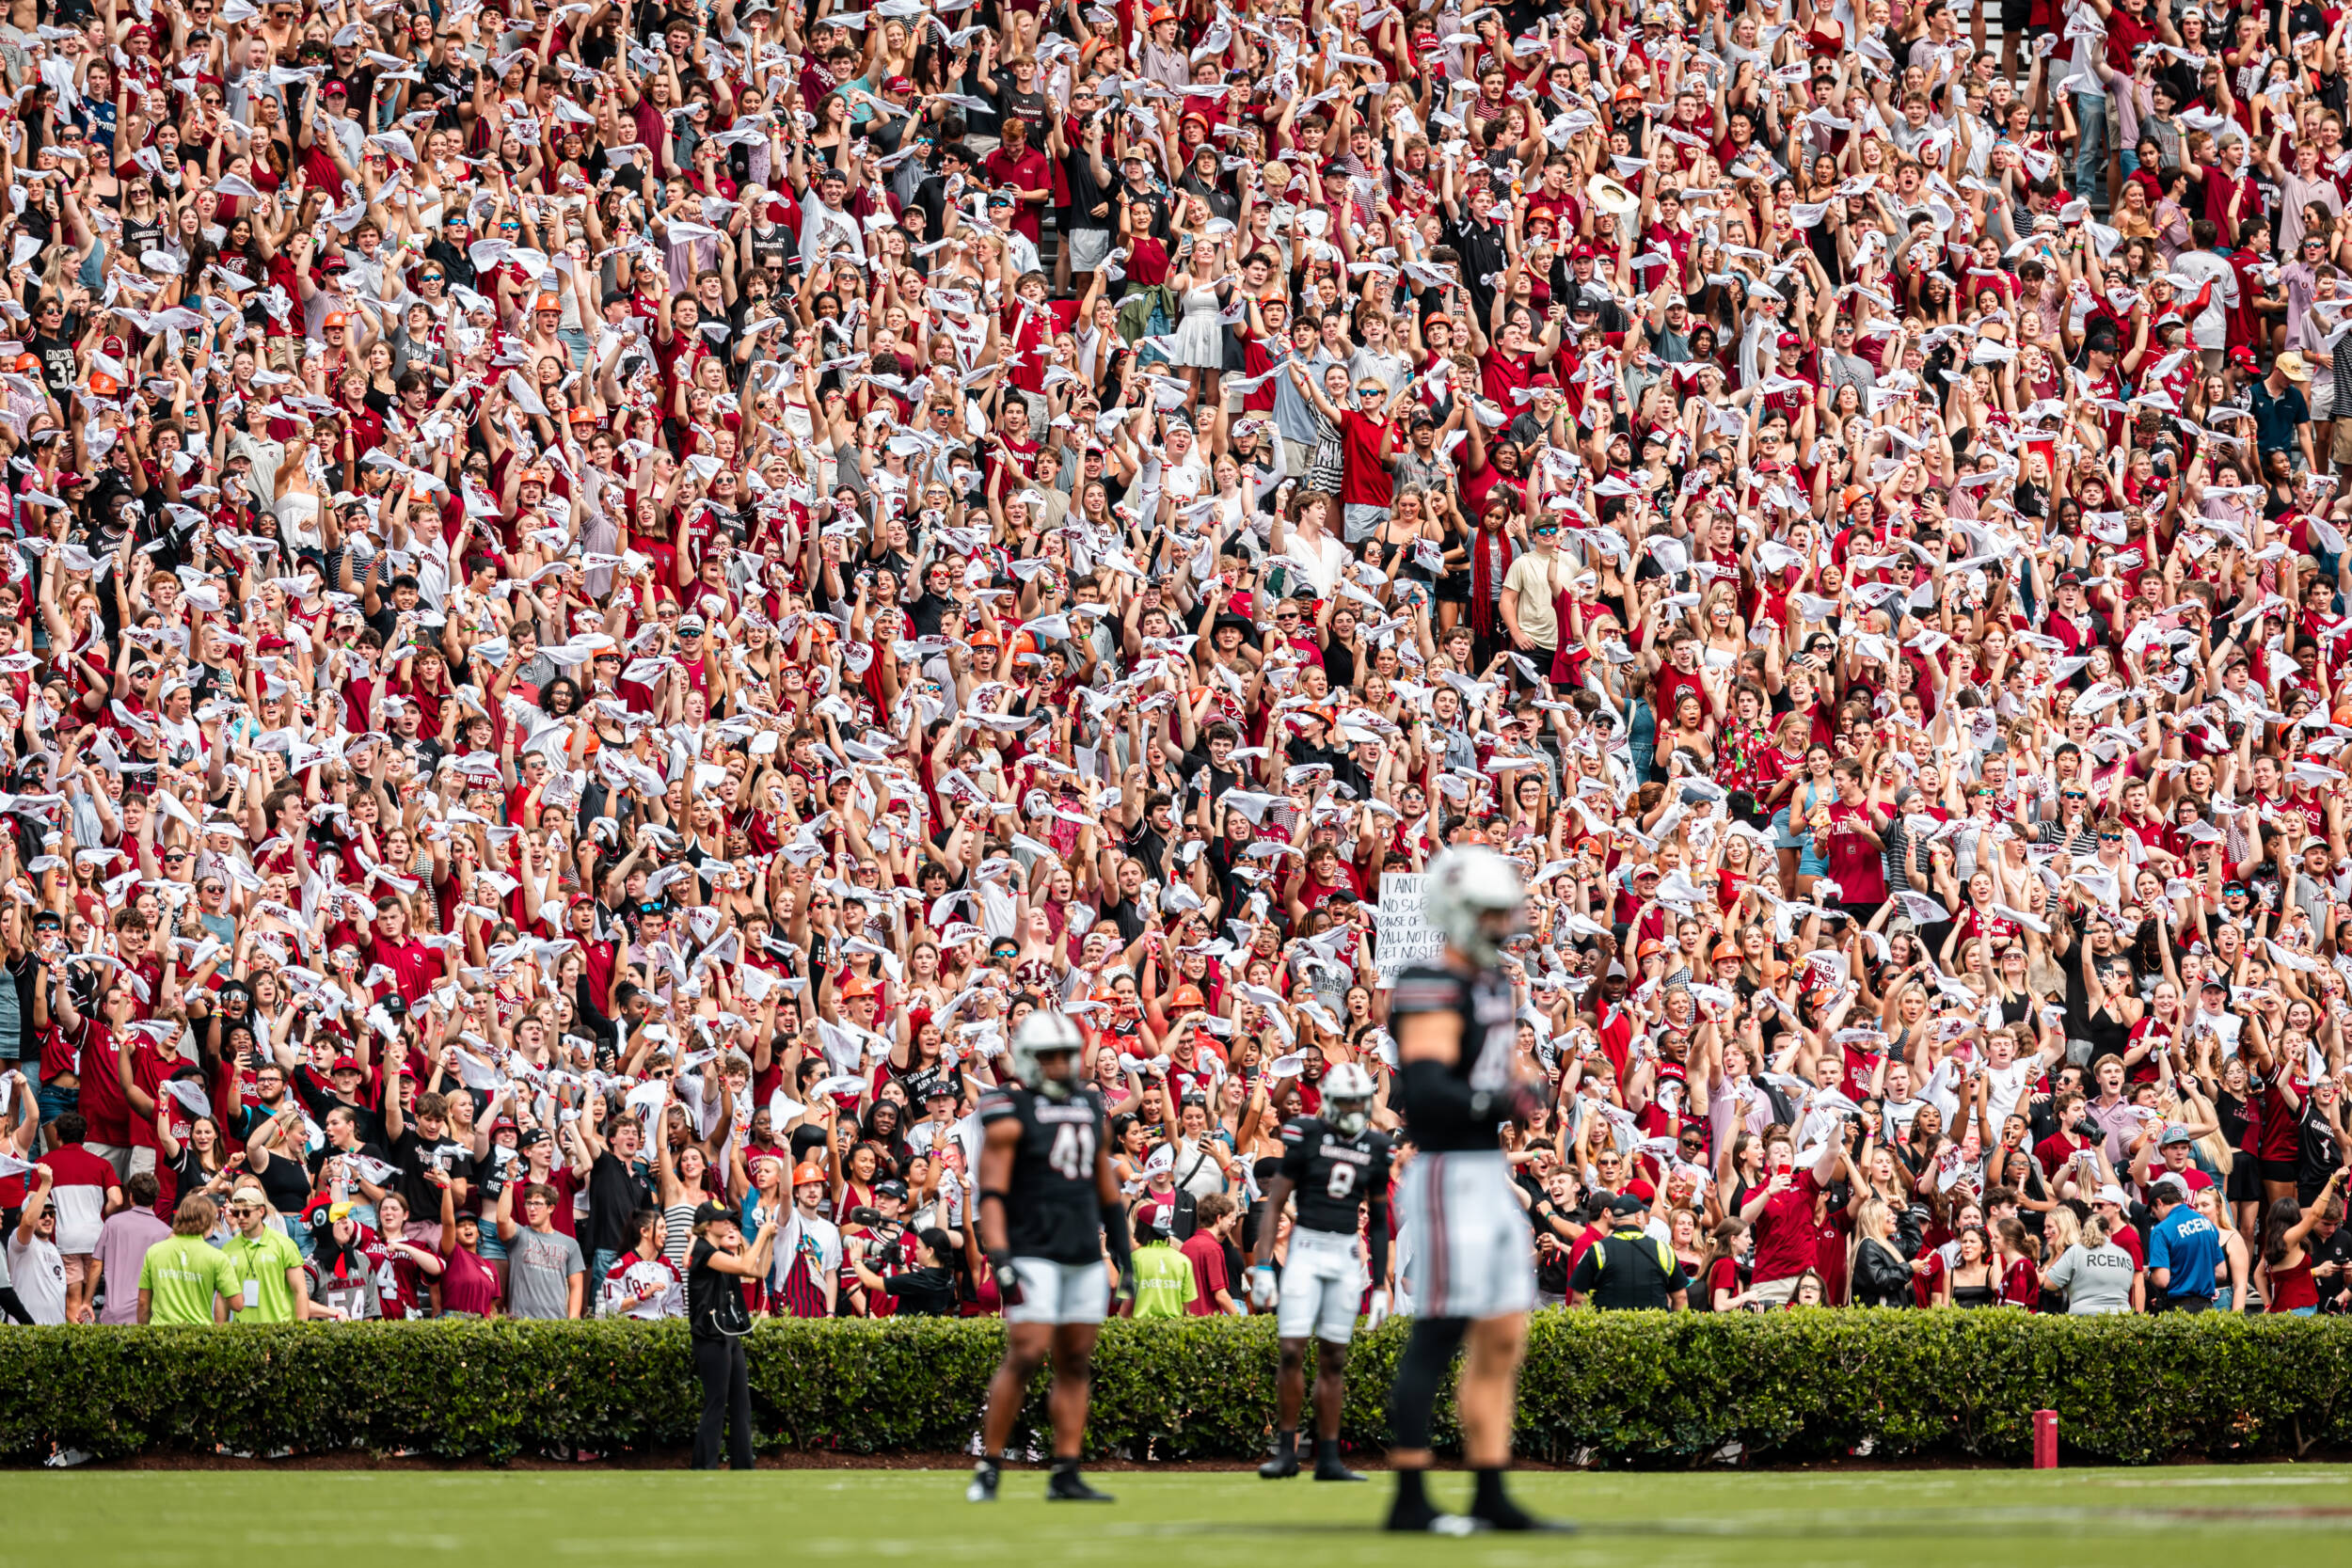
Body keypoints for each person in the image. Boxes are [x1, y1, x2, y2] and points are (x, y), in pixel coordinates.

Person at [1382, 847, 1565, 1534]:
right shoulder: (1428, 980)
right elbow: (1428, 1093)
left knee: (1502, 1333)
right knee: (1438, 1328)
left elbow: (1511, 1074)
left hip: (1487, 1171)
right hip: (1444, 1173)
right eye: (1489, 910)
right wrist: (1505, 1093)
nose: (1500, 922)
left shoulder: (1493, 981)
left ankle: (1489, 1488)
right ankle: (1408, 1494)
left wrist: (1523, 1084)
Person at [969, 1011, 1134, 1505]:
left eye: (1067, 1054)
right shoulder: (1007, 1107)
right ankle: (990, 1465)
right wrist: (999, 1256)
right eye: (1052, 1056)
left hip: (1083, 1249)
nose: (1062, 1064)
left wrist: (1124, 1250)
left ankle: (1066, 1469)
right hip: (1033, 1247)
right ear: (1030, 1059)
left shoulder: (1087, 1103)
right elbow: (992, 1193)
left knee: (1075, 1361)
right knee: (1025, 1351)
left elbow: (1106, 1184)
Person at [1249, 1060, 1392, 1481]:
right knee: (1291, 1350)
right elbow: (1275, 1201)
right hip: (1307, 1248)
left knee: (1334, 1356)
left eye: (1358, 1101)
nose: (1352, 1108)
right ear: (1329, 1101)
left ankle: (1329, 1458)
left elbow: (1381, 1221)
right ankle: (1287, 1451)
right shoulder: (1307, 1135)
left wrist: (1381, 1284)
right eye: (1346, 1100)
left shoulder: (1377, 1146)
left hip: (1347, 1251)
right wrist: (1261, 1264)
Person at [686, 1199, 782, 1470]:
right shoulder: (705, 1251)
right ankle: (703, 1467)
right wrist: (761, 1233)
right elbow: (743, 1267)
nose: (728, 1222)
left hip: (729, 1333)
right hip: (710, 1336)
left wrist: (770, 1240)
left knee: (741, 1405)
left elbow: (759, 1270)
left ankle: (743, 1467)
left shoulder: (720, 1253)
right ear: (707, 1225)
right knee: (716, 1403)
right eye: (722, 1219)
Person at [1569, 1193, 1692, 1309]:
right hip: (1655, 1329)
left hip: (1609, 1328)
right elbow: (1681, 1297)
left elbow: (1578, 1300)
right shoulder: (1663, 1249)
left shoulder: (1597, 1249)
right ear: (1638, 1216)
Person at [137, 1196, 234, 1325]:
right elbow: (236, 1303)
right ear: (208, 1221)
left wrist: (144, 1332)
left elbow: (143, 1303)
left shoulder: (155, 1251)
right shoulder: (216, 1256)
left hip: (161, 1333)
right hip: (200, 1332)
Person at [2149, 1177, 2224, 1312]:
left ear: (2159, 1203)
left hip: (2178, 1310)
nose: (2156, 1217)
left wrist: (2149, 1273)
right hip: (2207, 1310)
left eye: (2153, 1212)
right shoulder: (2207, 1224)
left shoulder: (2161, 1230)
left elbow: (2161, 1280)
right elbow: (2221, 1271)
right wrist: (2195, 1274)